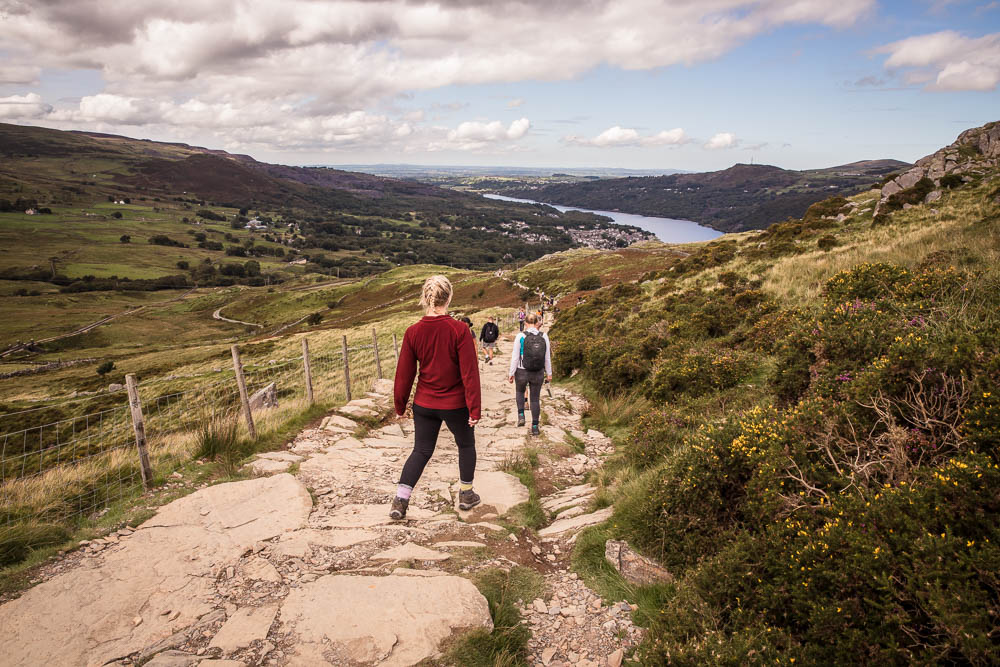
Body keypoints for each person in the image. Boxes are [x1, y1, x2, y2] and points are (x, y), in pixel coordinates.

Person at [391, 275, 482, 520]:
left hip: (424, 404)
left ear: (425, 298)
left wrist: (400, 406)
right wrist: (474, 410)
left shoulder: (413, 332)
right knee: (465, 445)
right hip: (455, 404)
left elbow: (404, 374)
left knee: (420, 450)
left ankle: (400, 501)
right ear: (449, 297)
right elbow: (469, 373)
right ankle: (466, 494)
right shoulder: (460, 329)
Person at [508, 312, 552, 436]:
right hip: (538, 371)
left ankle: (521, 415)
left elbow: (515, 357)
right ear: (537, 322)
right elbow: (547, 356)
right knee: (535, 399)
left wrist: (511, 373)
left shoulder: (520, 336)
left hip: (522, 370)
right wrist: (549, 373)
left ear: (525, 323)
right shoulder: (544, 336)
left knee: (520, 392)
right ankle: (535, 427)